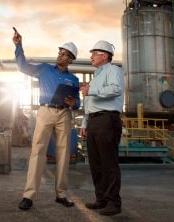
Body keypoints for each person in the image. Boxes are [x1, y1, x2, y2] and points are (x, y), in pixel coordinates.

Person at [13, 30, 80, 210]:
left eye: (64, 54)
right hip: (45, 111)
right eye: (59, 52)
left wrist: (74, 103)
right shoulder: (44, 69)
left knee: (63, 154)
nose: (60, 55)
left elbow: (78, 103)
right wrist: (18, 46)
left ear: (70, 60)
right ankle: (29, 195)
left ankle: (61, 194)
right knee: (37, 152)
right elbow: (23, 67)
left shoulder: (74, 79)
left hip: (64, 114)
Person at [79, 40, 124, 216]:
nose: (91, 56)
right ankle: (101, 199)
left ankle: (113, 203)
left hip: (108, 119)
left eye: (94, 53)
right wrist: (84, 123)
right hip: (94, 121)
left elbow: (116, 89)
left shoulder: (114, 71)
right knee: (96, 163)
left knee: (108, 162)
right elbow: (90, 103)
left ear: (104, 55)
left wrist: (92, 89)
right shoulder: (96, 76)